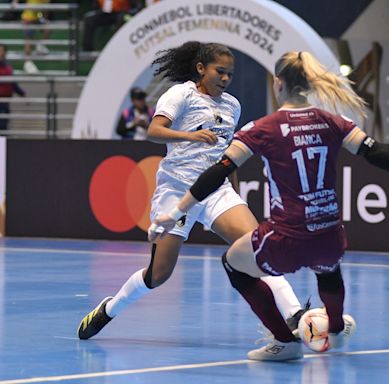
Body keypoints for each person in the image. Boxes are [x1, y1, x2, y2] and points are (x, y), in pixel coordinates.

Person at [149, 51, 389, 361]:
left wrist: (174, 213)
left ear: (278, 83)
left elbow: (217, 173)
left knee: (234, 264)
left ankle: (284, 341)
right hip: (330, 234)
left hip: (286, 236)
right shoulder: (334, 121)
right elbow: (381, 155)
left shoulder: (262, 129)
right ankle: (337, 328)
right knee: (327, 263)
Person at [77, 42, 305, 340]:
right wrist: (191, 136)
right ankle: (110, 309)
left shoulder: (232, 105)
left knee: (258, 246)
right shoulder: (180, 94)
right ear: (201, 69)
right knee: (158, 275)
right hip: (176, 191)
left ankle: (294, 314)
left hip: (215, 190)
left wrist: (233, 193)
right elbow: (153, 131)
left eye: (230, 75)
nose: (225, 79)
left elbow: (228, 155)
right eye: (219, 71)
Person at [11, 0, 52, 73]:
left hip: (38, 18)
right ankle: (27, 63)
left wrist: (45, 19)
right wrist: (15, 2)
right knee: (29, 41)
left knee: (48, 29)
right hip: (28, 18)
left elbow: (46, 9)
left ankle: (40, 46)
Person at [0, 44, 26, 131]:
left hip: (5, 99)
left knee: (4, 122)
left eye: (2, 51)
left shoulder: (7, 65)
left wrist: (21, 93)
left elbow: (12, 82)